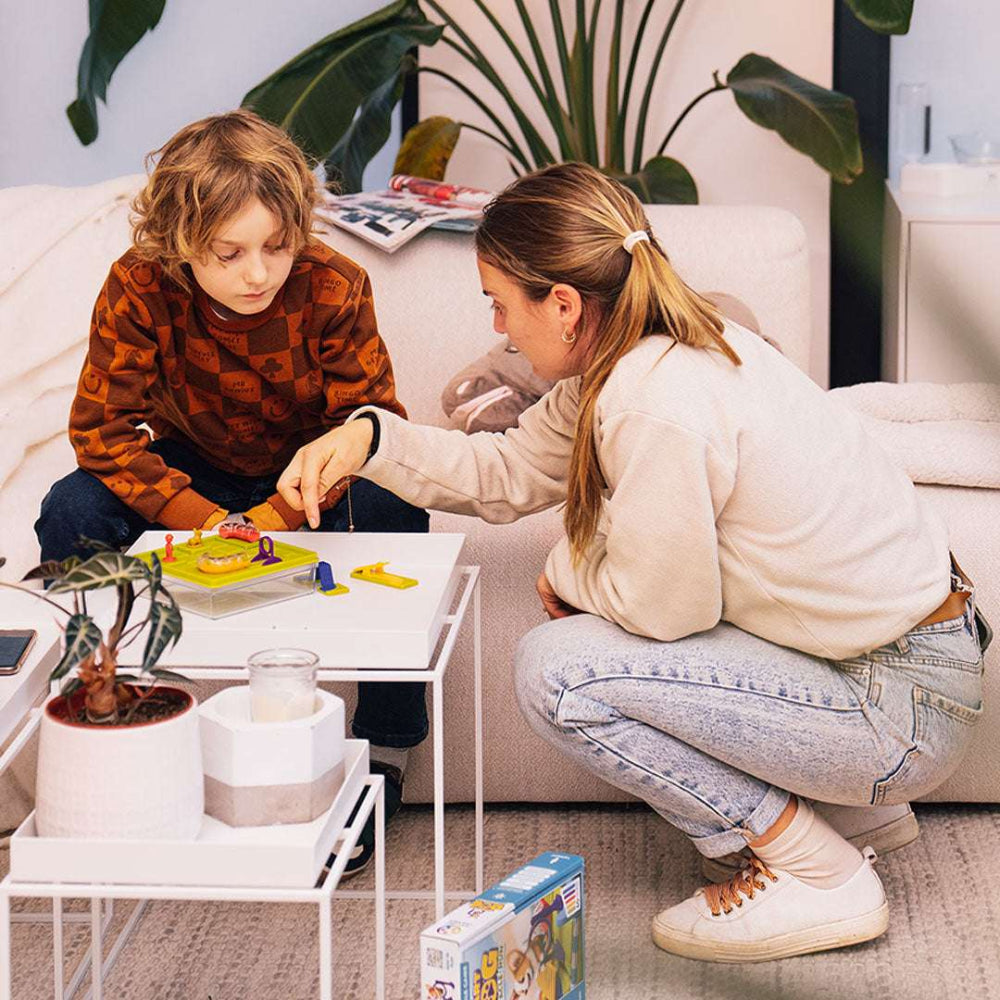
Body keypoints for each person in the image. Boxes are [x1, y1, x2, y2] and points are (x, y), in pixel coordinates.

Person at [275, 161, 989, 962]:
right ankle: (850, 815)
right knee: (576, 645)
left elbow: (665, 609)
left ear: (567, 305)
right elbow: (507, 470)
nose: (501, 330)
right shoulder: (638, 359)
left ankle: (816, 869)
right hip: (895, 665)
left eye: (501, 306)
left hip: (896, 703)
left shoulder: (656, 398)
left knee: (558, 669)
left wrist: (567, 573)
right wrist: (371, 437)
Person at [34, 109, 428, 872]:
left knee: (396, 503)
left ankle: (384, 752)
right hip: (191, 471)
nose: (259, 273)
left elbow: (370, 425)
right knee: (70, 508)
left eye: (278, 247)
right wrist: (211, 521)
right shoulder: (137, 285)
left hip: (309, 467)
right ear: (181, 242)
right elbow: (104, 432)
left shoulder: (335, 285)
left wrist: (277, 514)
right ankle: (120, 712)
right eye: (230, 252)